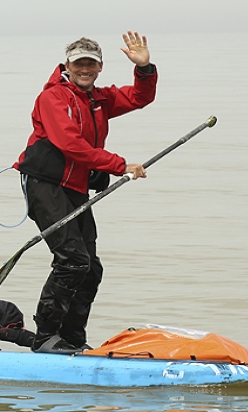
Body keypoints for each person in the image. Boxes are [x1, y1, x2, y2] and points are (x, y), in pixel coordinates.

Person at [13, 31, 157, 354]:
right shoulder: (53, 98)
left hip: (74, 189)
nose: (85, 69)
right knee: (73, 261)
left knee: (90, 269)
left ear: (100, 67)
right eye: (79, 63)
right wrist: (119, 165)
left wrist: (144, 68)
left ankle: (73, 339)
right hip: (45, 187)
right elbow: (70, 145)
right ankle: (46, 337)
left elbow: (140, 97)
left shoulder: (99, 99)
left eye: (91, 64)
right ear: (68, 65)